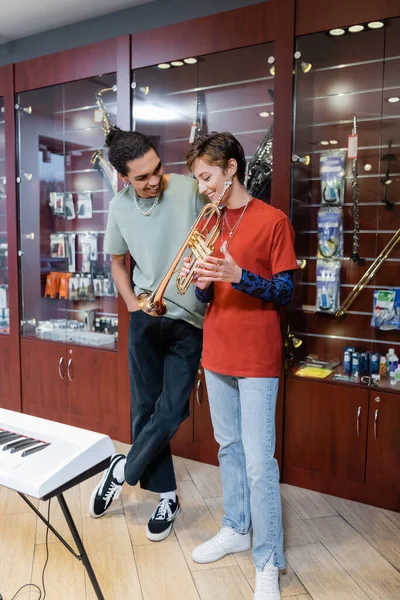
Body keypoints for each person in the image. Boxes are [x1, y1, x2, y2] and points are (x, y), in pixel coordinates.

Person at [181, 132, 298, 600]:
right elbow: (204, 295)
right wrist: (205, 281)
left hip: (256, 357)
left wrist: (240, 276)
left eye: (207, 177)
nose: (202, 187)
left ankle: (268, 561)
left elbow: (287, 293)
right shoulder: (208, 222)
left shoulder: (273, 220)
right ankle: (236, 527)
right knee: (227, 449)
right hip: (217, 352)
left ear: (231, 168)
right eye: (197, 180)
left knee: (257, 464)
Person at [89, 128, 206, 542]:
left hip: (189, 320)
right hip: (144, 316)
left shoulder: (190, 188)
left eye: (157, 169)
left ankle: (123, 469)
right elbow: (118, 263)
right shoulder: (119, 208)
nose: (154, 180)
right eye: (141, 177)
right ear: (123, 177)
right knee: (144, 410)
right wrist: (130, 304)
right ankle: (167, 497)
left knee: (172, 411)